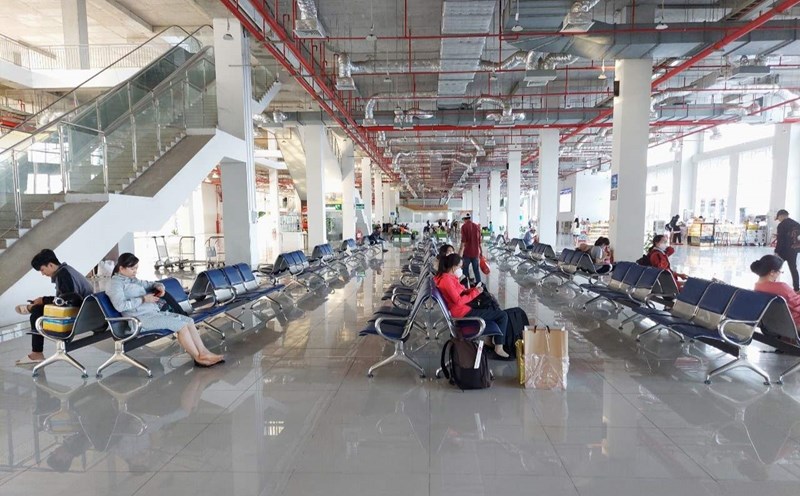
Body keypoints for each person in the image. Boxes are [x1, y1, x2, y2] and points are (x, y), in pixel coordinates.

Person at [107, 253, 224, 367]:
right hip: (139, 320)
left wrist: (159, 287)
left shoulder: (132, 280)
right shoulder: (115, 284)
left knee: (189, 321)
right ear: (121, 268)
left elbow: (151, 284)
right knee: (181, 326)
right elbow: (120, 306)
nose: (135, 271)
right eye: (132, 268)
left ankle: (204, 352)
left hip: (152, 314)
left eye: (136, 268)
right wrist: (143, 299)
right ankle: (198, 358)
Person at [14, 249, 95, 366]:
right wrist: (44, 300)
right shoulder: (66, 270)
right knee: (40, 308)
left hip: (77, 316)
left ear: (51, 265)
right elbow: (67, 297)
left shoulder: (63, 275)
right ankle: (32, 307)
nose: (42, 273)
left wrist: (43, 300)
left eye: (42, 270)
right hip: (86, 313)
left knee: (36, 315)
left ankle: (37, 353)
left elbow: (68, 300)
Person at [434, 253, 509, 358]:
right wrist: (475, 293)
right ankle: (499, 347)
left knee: (491, 307)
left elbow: (461, 291)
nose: (460, 269)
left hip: (462, 309)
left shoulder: (447, 277)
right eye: (460, 267)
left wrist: (474, 289)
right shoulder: (447, 280)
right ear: (453, 267)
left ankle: (489, 341)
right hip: (462, 313)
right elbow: (458, 301)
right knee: (502, 315)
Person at [751, 254, 800, 327]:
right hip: (793, 324)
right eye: (779, 271)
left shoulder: (757, 287)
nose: (779, 273)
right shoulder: (782, 287)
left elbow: (789, 297)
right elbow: (797, 304)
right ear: (772, 272)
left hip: (773, 326)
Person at [774, 209, 800, 292]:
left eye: (779, 218)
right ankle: (796, 288)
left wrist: (776, 251)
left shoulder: (781, 225)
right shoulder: (797, 224)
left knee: (775, 268)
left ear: (781, 216)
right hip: (793, 250)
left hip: (783, 251)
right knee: (793, 268)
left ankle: (771, 285)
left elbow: (781, 240)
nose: (779, 220)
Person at [459, 213, 483, 284]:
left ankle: (466, 285)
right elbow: (479, 241)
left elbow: (463, 241)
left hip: (467, 253)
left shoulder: (464, 227)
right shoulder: (477, 226)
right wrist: (481, 251)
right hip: (475, 253)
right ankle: (479, 284)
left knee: (465, 269)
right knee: (476, 269)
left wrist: (459, 253)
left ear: (464, 219)